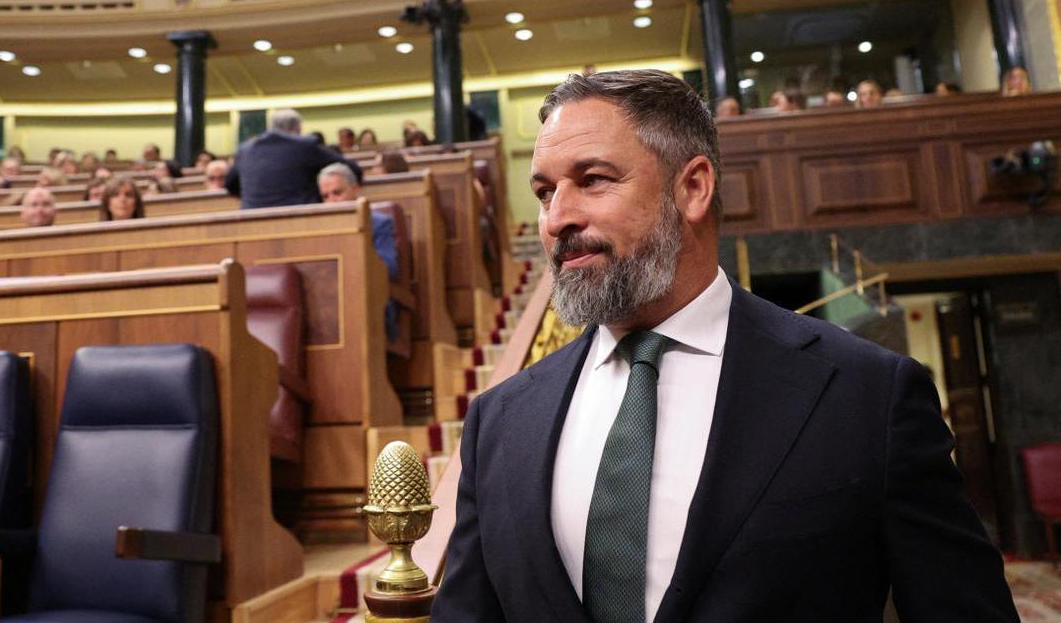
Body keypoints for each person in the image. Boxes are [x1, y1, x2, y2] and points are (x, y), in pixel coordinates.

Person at [432, 69, 1017, 623]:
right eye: (543, 192)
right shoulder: (501, 421)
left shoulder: (867, 395)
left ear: (692, 187)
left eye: (592, 180)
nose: (557, 217)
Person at [317, 162, 400, 339]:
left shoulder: (378, 223)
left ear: (354, 189)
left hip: (369, 298)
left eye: (337, 193)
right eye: (325, 196)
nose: (332, 202)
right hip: (329, 300)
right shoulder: (317, 228)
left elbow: (389, 268)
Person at [225, 108, 363, 209]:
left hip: (251, 222)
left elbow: (229, 184)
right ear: (298, 129)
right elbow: (353, 169)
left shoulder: (245, 150)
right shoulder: (304, 146)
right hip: (301, 220)